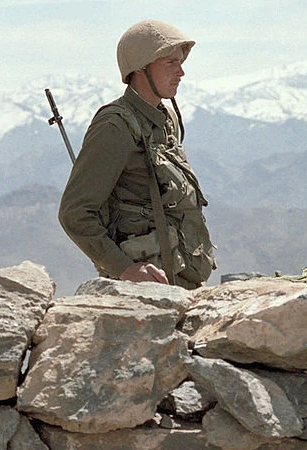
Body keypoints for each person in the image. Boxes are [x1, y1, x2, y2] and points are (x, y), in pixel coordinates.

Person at [58, 19, 215, 289]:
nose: (181, 72)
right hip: (142, 290)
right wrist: (124, 269)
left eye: (181, 62)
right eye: (170, 63)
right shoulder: (114, 126)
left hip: (180, 282)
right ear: (142, 67)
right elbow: (75, 213)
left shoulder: (165, 120)